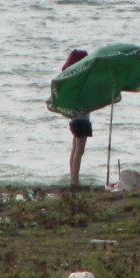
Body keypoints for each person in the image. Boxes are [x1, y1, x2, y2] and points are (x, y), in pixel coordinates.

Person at [61, 49, 92, 187]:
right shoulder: (82, 84)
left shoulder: (73, 82)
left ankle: (73, 177)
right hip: (82, 121)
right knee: (79, 151)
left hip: (75, 120)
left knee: (74, 150)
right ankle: (75, 180)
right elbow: (85, 104)